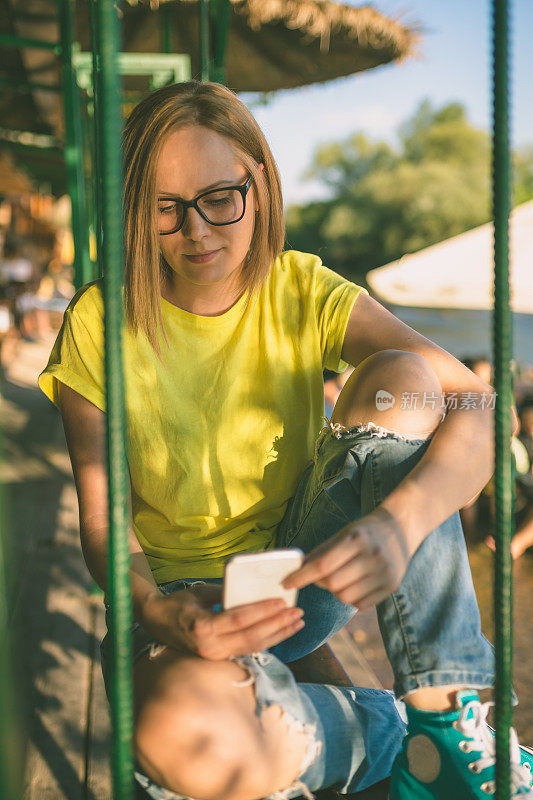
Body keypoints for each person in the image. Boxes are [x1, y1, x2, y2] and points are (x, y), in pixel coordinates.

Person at [38, 81, 533, 800]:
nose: (197, 231)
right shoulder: (96, 321)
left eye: (218, 198)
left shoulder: (302, 288)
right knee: (185, 735)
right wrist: (154, 610)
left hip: (297, 572)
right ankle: (389, 734)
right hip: (178, 603)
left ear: (258, 182)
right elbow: (99, 517)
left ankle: (449, 711)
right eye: (166, 208)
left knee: (403, 377)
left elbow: (481, 403)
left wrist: (400, 526)